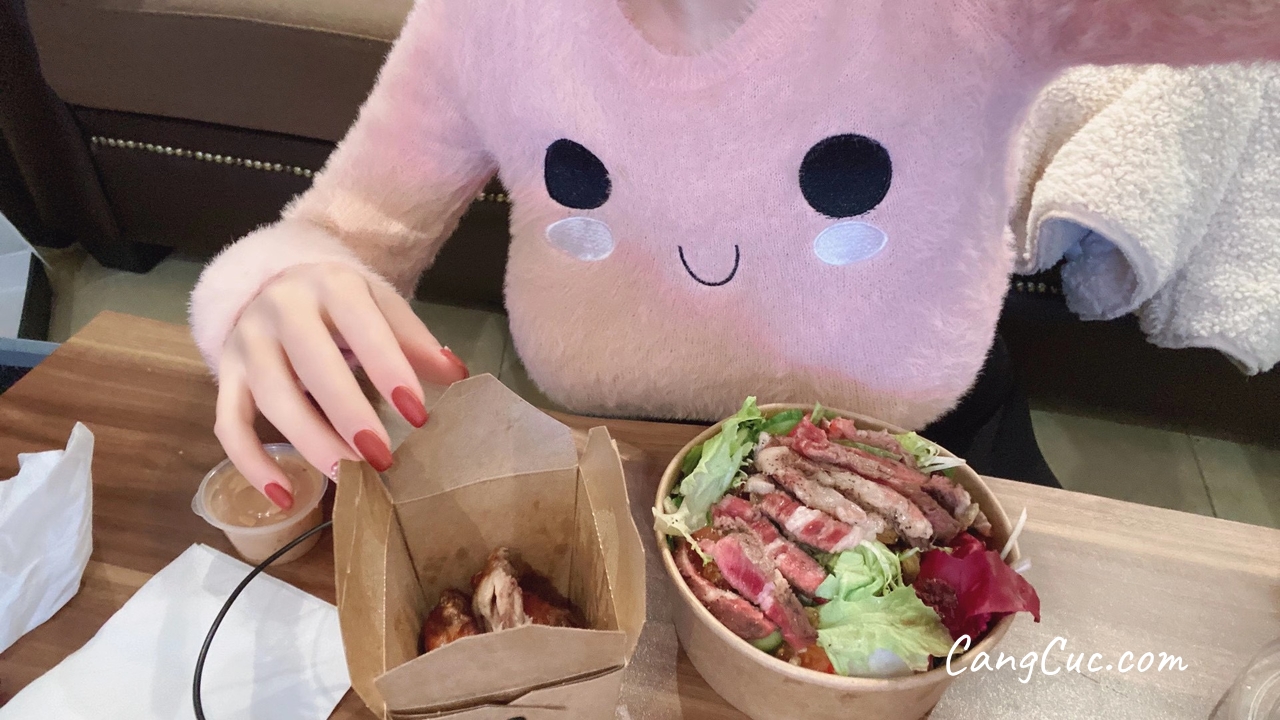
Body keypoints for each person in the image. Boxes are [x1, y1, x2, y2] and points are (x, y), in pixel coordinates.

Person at [189, 0, 1280, 509]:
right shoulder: (488, 19)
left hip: (929, 468)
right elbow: (340, 233)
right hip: (614, 477)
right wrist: (275, 288)